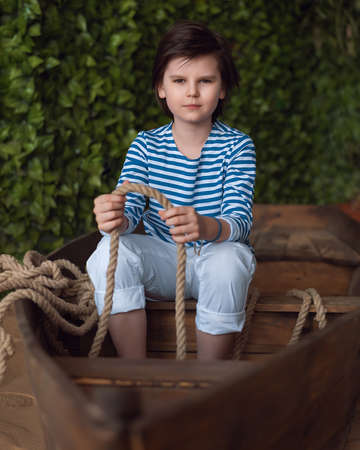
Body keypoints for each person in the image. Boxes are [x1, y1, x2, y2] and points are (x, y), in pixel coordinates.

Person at [86, 21, 256, 360]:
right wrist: (112, 217)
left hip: (216, 256)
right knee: (107, 251)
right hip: (165, 263)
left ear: (222, 90)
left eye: (205, 81)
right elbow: (130, 211)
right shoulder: (146, 145)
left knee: (230, 262)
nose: (192, 92)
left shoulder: (237, 146)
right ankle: (137, 370)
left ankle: (208, 380)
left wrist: (207, 226)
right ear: (161, 88)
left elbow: (240, 221)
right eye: (179, 81)